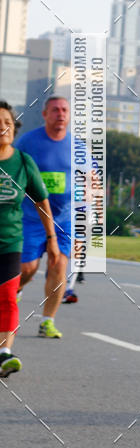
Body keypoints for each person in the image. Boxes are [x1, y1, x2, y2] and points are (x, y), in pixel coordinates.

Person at [0, 102, 59, 376]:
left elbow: (42, 202)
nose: (3, 127)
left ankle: (4, 354)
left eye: (7, 122)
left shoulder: (23, 162)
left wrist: (52, 239)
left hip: (11, 242)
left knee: (8, 298)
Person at [16, 96, 72, 338]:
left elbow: (90, 182)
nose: (60, 114)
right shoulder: (28, 142)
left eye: (64, 110)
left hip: (65, 219)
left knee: (59, 264)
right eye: (55, 110)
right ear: (45, 114)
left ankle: (47, 321)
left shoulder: (78, 147)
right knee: (27, 268)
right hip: (31, 218)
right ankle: (12, 291)